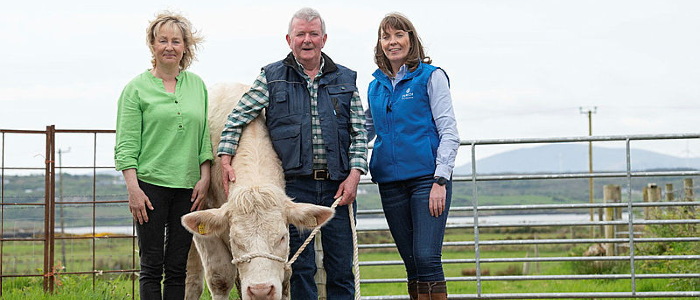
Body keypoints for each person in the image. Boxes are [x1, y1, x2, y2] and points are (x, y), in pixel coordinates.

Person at [218, 7, 367, 300]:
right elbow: (238, 116)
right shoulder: (271, 77)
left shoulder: (346, 80)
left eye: (313, 34)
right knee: (300, 268)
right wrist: (225, 157)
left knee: (340, 268)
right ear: (289, 39)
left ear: (324, 39)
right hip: (295, 187)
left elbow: (359, 133)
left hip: (339, 187)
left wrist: (354, 176)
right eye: (301, 34)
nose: (307, 40)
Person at [114, 11, 212, 300]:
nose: (169, 46)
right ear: (152, 45)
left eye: (176, 41)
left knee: (178, 266)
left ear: (185, 47)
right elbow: (126, 145)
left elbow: (203, 138)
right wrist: (133, 190)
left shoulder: (197, 85)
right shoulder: (135, 89)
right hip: (150, 187)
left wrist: (205, 178)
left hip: (188, 188)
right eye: (163, 40)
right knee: (152, 265)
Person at [365, 12, 460, 300]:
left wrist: (440, 180)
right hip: (390, 184)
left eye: (398, 35)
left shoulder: (431, 77)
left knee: (426, 257)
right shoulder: (375, 86)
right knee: (411, 262)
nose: (392, 42)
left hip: (426, 181)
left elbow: (449, 131)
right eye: (386, 36)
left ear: (411, 39)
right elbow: (365, 128)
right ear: (380, 44)